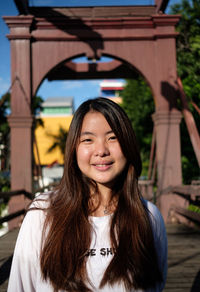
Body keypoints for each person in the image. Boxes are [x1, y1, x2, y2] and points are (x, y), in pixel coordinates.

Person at [8, 97, 167, 292]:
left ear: (128, 144)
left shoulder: (149, 217)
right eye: (88, 140)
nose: (101, 150)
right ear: (74, 149)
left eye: (113, 137)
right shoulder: (42, 214)